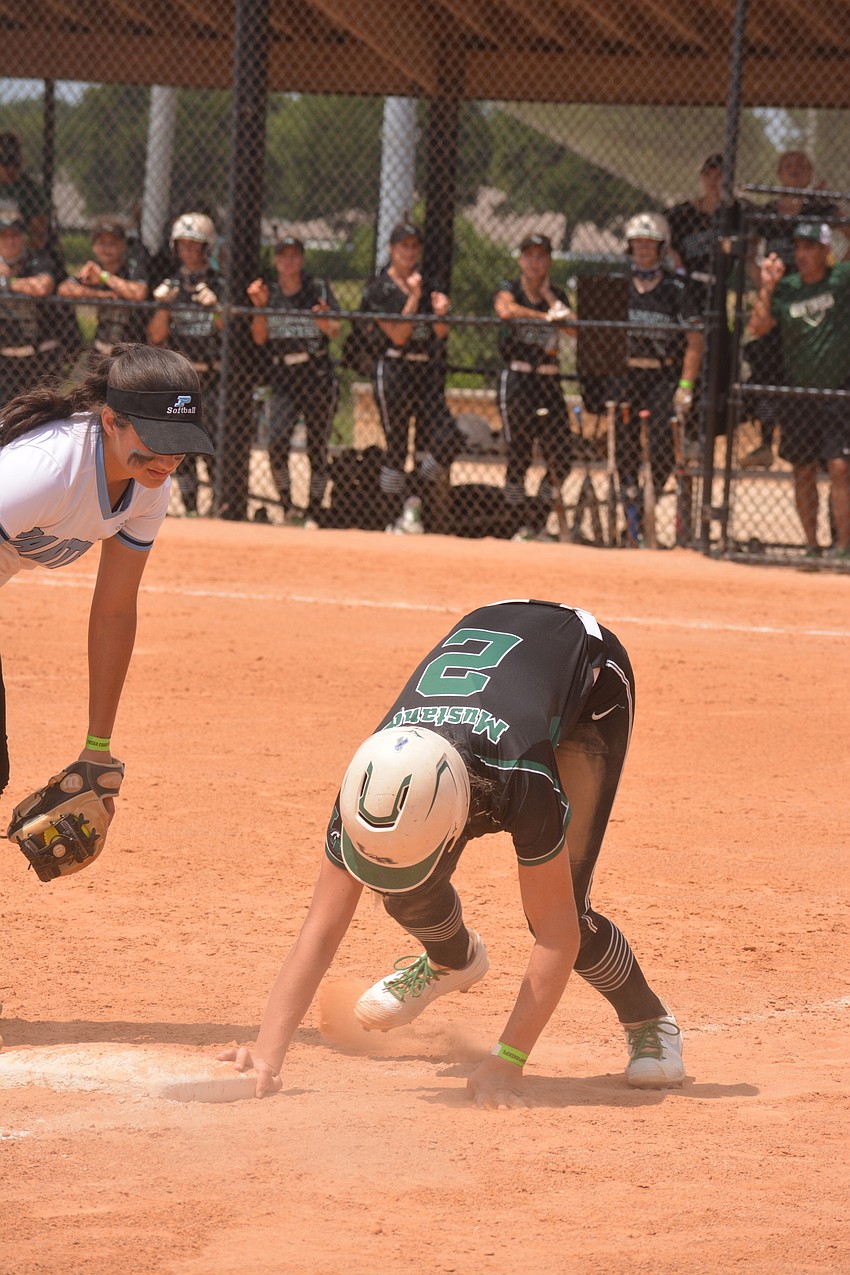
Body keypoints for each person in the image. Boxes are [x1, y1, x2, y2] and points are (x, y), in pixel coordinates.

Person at [219, 599, 685, 1106]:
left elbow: (557, 938)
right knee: (399, 877)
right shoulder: (371, 779)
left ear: (459, 826)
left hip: (591, 679)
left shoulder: (522, 778)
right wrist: (267, 1054)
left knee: (567, 910)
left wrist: (505, 1063)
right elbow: (321, 927)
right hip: (489, 669)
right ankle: (452, 959)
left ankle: (648, 1019)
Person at [0, 343, 213, 880]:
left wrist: (98, 748)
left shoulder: (147, 487)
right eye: (156, 443)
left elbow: (114, 612)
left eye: (180, 448)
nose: (167, 461)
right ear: (111, 420)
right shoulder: (42, 472)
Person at [747, 223, 850, 558]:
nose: (801, 255)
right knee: (803, 468)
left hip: (837, 390)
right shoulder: (787, 288)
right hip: (799, 392)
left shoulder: (839, 280)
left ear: (825, 251)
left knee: (839, 468)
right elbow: (757, 327)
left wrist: (839, 224)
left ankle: (843, 549)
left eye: (810, 248)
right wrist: (768, 286)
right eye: (798, 248)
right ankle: (810, 544)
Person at [360, 221, 463, 532]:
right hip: (394, 369)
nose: (409, 252)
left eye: (414, 247)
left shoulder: (429, 284)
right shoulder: (379, 288)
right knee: (396, 445)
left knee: (449, 438)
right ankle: (392, 518)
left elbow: (441, 334)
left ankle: (412, 496)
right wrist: (415, 298)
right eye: (403, 246)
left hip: (425, 370)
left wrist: (442, 315)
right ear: (392, 250)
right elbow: (399, 335)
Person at [611, 212, 703, 544]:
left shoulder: (676, 289)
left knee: (664, 444)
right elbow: (597, 333)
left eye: (650, 245)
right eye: (638, 244)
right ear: (630, 247)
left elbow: (695, 340)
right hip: (626, 374)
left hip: (662, 375)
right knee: (624, 444)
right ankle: (631, 519)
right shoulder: (618, 285)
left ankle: (648, 499)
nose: (644, 250)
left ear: (661, 248)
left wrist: (686, 386)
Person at [742, 151, 838, 469]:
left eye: (800, 167)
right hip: (780, 298)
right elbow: (748, 250)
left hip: (811, 297)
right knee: (767, 363)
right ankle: (766, 442)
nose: (794, 172)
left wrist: (835, 277)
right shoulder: (770, 211)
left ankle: (826, 448)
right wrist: (762, 281)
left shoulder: (818, 208)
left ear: (810, 174)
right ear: (779, 173)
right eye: (788, 167)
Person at [247, 235, 339, 527]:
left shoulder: (317, 287)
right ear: (276, 260)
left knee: (318, 446)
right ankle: (288, 507)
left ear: (301, 259)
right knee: (276, 442)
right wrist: (259, 307)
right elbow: (259, 337)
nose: (289, 261)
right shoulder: (268, 291)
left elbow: (335, 330)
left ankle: (314, 508)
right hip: (284, 376)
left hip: (317, 374)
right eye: (283, 255)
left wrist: (323, 319)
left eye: (294, 255)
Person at [493, 233, 575, 515]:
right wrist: (544, 317)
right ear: (520, 259)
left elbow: (574, 328)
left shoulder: (558, 296)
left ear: (549, 261)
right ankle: (513, 518)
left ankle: (538, 515)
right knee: (519, 452)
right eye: (529, 256)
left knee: (562, 455)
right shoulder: (511, 288)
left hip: (549, 381)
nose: (534, 263)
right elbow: (505, 310)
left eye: (541, 256)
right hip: (518, 379)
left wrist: (549, 296)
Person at [148, 212, 222, 516]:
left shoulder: (220, 282)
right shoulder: (171, 284)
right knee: (182, 447)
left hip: (213, 376)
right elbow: (155, 336)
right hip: (180, 379)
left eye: (195, 246)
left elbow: (231, 333)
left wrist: (217, 309)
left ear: (207, 248)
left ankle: (219, 505)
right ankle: (190, 508)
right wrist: (164, 305)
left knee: (213, 444)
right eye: (183, 245)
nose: (188, 252)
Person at [57, 219, 149, 363]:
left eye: (112, 243)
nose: (106, 248)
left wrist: (104, 277)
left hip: (132, 352)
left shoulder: (132, 266)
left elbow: (138, 293)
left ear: (123, 245)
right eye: (101, 243)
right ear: (93, 246)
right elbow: (64, 289)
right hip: (101, 348)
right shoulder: (94, 269)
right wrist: (100, 294)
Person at [0, 206, 57, 410]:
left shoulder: (37, 259)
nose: (9, 241)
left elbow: (42, 286)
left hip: (37, 355)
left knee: (35, 414)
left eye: (14, 235)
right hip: (3, 356)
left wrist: (6, 282)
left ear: (23, 237)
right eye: (3, 236)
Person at [0, 132, 50, 253]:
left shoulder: (30, 189)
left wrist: (16, 252)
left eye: (15, 164)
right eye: (4, 164)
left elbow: (39, 233)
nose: (10, 170)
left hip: (20, 250)